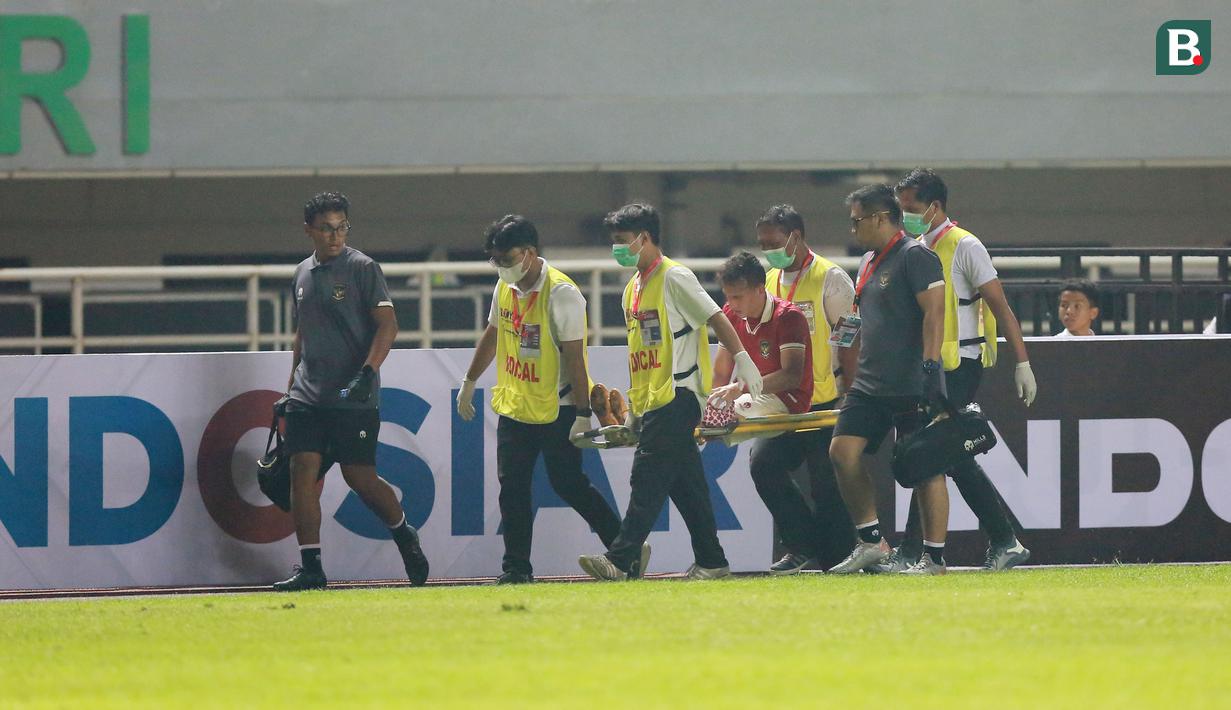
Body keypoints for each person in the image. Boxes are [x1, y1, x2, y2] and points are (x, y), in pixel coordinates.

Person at [578, 202, 764, 581]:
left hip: (679, 395)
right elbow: (640, 353)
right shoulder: (632, 289)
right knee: (686, 485)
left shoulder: (675, 278)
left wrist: (742, 357)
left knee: (646, 478)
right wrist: (633, 410)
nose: (617, 249)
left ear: (644, 238)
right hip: (652, 399)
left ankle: (621, 557)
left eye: (622, 241)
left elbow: (715, 316)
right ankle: (713, 561)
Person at [455, 214, 626, 584]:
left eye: (506, 258)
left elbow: (575, 357)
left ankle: (623, 547)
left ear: (529, 253)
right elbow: (493, 332)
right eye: (495, 260)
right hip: (516, 406)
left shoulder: (562, 293)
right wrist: (470, 379)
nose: (500, 266)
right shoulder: (506, 287)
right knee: (512, 487)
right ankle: (516, 569)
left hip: (557, 408)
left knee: (568, 483)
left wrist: (583, 413)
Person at [274, 191, 429, 592]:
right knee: (300, 473)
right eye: (326, 228)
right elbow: (302, 332)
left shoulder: (362, 267)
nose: (335, 236)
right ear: (308, 230)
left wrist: (368, 371)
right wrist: (291, 385)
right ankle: (312, 568)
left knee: (359, 477)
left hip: (353, 394)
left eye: (341, 227)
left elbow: (388, 325)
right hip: (308, 396)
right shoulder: (301, 274)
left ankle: (402, 533)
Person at [892, 168, 1034, 571]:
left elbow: (1001, 308)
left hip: (958, 368)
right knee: (942, 457)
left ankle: (916, 552)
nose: (905, 215)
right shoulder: (917, 247)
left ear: (935, 207)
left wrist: (1021, 362)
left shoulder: (965, 246)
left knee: (931, 455)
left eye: (912, 208)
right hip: (930, 368)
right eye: (902, 208)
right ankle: (1004, 541)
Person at [827, 184, 950, 576]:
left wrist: (931, 369)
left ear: (880, 218)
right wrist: (840, 361)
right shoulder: (867, 263)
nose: (853, 229)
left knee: (925, 467)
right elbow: (857, 318)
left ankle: (935, 558)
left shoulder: (917, 256)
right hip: (869, 381)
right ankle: (871, 541)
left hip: (912, 380)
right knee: (842, 452)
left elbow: (934, 314)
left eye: (856, 221)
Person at [753, 205, 859, 572]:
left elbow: (850, 337)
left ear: (796, 237)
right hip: (781, 402)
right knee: (763, 465)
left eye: (774, 242)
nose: (768, 250)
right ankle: (800, 544)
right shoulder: (768, 281)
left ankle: (841, 556)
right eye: (763, 244)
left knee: (826, 484)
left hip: (825, 399)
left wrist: (852, 390)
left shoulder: (831, 278)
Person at [710, 251, 826, 575]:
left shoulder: (789, 318)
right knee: (762, 466)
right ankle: (803, 546)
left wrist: (739, 390)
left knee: (727, 416)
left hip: (789, 401)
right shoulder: (730, 315)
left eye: (738, 296)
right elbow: (721, 371)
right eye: (727, 296)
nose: (731, 304)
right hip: (756, 400)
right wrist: (709, 401)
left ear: (760, 289)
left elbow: (791, 375)